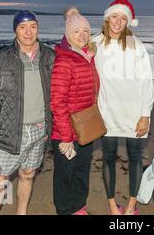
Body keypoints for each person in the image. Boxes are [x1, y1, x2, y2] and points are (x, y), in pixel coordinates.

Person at [0, 10, 55, 215]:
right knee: (1, 179)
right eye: (22, 27)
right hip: (8, 132)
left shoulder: (50, 56)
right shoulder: (0, 59)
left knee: (28, 174)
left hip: (39, 130)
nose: (28, 32)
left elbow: (59, 92)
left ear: (38, 28)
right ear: (15, 30)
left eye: (33, 27)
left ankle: (21, 212)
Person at [93, 0, 154, 215]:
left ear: (128, 21)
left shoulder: (135, 46)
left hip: (134, 113)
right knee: (108, 158)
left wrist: (145, 114)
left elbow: (147, 81)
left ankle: (131, 204)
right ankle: (112, 205)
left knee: (135, 158)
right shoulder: (95, 43)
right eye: (114, 16)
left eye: (123, 17)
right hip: (107, 114)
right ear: (107, 18)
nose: (118, 21)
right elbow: (70, 48)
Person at [50, 13, 97, 215]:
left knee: (82, 170)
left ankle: (78, 206)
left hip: (85, 127)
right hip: (66, 131)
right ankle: (64, 210)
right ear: (68, 35)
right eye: (76, 31)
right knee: (64, 174)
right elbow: (57, 102)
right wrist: (66, 138)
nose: (82, 34)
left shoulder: (89, 57)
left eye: (85, 30)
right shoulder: (64, 60)